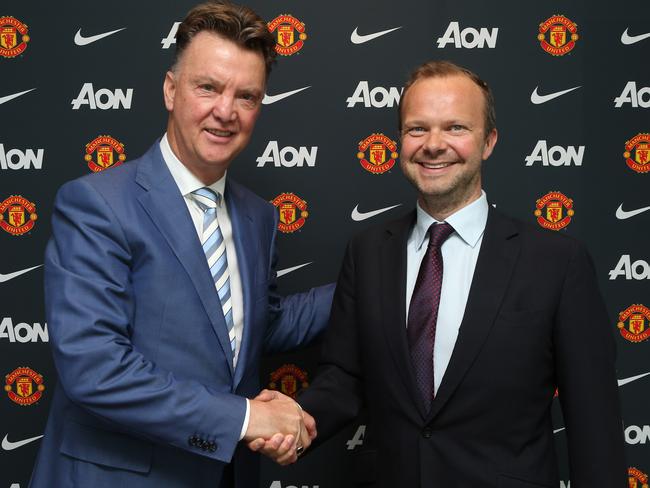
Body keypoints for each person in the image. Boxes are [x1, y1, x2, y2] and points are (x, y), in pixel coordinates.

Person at [252, 60, 627, 486]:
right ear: (400, 141)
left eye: (455, 128)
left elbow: (594, 428)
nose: (433, 144)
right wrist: (299, 422)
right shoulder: (369, 252)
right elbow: (345, 375)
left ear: (488, 141)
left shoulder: (557, 263)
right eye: (417, 129)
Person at [29, 2, 333, 487]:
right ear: (171, 90)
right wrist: (244, 418)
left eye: (247, 96)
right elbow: (95, 367)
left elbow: (257, 329)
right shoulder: (96, 203)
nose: (225, 111)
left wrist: (379, 276)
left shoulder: (258, 216)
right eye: (208, 87)